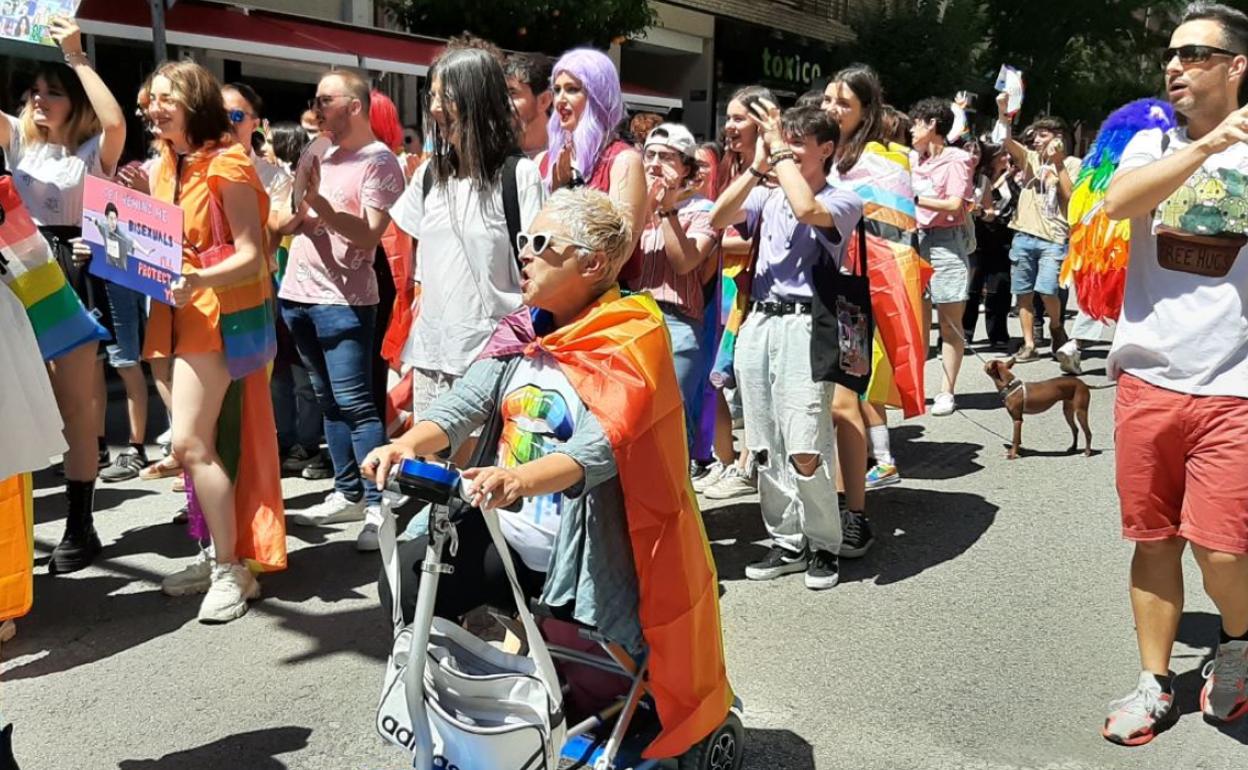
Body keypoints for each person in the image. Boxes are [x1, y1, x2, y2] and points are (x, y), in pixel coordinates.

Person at [365, 187, 731, 760]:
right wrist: (406, 442)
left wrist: (518, 480)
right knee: (406, 577)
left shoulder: (633, 333)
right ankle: (487, 709)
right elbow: (465, 404)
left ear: (591, 263)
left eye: (540, 243)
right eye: (523, 241)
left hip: (585, 551)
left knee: (600, 641)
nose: (525, 254)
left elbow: (601, 446)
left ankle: (585, 709)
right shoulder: (523, 329)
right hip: (506, 537)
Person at [1098, 1, 1248, 745]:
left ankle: (1239, 644)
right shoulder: (1149, 145)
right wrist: (1205, 147)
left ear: (1235, 67)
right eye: (1172, 53)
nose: (1175, 65)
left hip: (1236, 387)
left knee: (1224, 548)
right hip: (1149, 379)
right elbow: (1118, 204)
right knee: (1153, 538)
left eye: (1195, 53)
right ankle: (1155, 681)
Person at [141, 60, 286, 622]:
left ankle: (231, 568)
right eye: (150, 100)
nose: (154, 108)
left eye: (166, 98)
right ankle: (217, 555)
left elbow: (252, 252)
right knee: (197, 446)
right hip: (179, 313)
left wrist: (199, 276)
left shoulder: (227, 162)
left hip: (216, 315)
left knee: (190, 445)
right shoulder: (168, 165)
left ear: (195, 102)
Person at [710, 103, 864, 591]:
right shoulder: (768, 193)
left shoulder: (844, 199)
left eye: (798, 144)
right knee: (764, 441)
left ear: (827, 150)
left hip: (806, 325)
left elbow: (807, 210)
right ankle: (787, 539)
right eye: (784, 141)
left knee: (805, 443)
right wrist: (757, 166)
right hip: (759, 321)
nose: (787, 153)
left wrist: (777, 155)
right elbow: (717, 216)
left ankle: (824, 542)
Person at [0, 16, 124, 572]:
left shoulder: (93, 151)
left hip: (69, 275)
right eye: (34, 92)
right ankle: (17, 532)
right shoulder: (17, 141)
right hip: (16, 270)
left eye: (53, 94)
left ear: (75, 105)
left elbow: (117, 121)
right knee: (19, 402)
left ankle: (80, 521)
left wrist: (75, 56)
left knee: (76, 407)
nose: (39, 101)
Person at [389, 46, 545, 470]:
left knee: (477, 474)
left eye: (447, 97)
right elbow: (409, 253)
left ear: (478, 98)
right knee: (435, 472)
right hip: (431, 352)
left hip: (489, 352)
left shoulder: (518, 175)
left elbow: (537, 268)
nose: (437, 108)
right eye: (433, 97)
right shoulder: (428, 174)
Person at [279, 70, 404, 550]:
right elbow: (295, 214)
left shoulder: (380, 162)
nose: (315, 108)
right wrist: (300, 201)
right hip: (300, 293)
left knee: (355, 403)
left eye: (324, 99)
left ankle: (378, 504)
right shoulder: (320, 150)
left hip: (345, 300)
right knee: (327, 400)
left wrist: (319, 205)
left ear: (354, 105)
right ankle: (347, 490)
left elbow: (370, 235)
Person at [697, 86, 774, 501]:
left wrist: (709, 244)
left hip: (751, 293)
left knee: (744, 383)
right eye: (727, 118)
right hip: (722, 288)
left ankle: (747, 465)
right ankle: (725, 461)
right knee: (716, 382)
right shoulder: (732, 168)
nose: (729, 126)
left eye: (739, 118)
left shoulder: (779, 174)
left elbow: (757, 241)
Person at [625, 123, 719, 450]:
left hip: (677, 323)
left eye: (666, 157)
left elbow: (684, 262)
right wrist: (641, 208)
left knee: (671, 426)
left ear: (686, 169)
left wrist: (666, 211)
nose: (653, 164)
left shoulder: (702, 212)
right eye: (648, 155)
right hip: (631, 319)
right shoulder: (630, 208)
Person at [995, 93, 1082, 362]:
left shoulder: (1074, 164)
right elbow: (1006, 140)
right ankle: (1029, 344)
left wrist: (1057, 165)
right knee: (1023, 294)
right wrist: (1002, 112)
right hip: (1023, 235)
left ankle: (1056, 326)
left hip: (1054, 238)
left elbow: (1071, 199)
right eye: (1035, 135)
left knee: (1048, 290)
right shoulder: (1031, 160)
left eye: (1042, 135)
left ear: (1058, 137)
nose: (1036, 140)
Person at [538, 48, 646, 252]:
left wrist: (565, 195)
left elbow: (619, 250)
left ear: (598, 95)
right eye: (557, 89)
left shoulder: (623, 162)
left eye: (572, 89)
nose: (560, 99)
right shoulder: (543, 161)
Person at [910, 97, 975, 416]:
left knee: (949, 323)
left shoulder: (957, 158)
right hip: (914, 241)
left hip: (946, 241)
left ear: (932, 125)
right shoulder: (912, 159)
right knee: (917, 324)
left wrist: (915, 198)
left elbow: (954, 204)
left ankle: (947, 391)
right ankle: (915, 387)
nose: (911, 129)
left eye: (916, 123)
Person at [963, 142, 1017, 351]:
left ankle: (998, 334)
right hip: (975, 238)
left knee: (1000, 287)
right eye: (1002, 154)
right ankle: (966, 332)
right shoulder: (973, 177)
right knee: (971, 288)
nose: (1007, 158)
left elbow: (1006, 204)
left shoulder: (1009, 179)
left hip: (1001, 237)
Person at [504, 52, 554, 158]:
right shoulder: (492, 152)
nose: (504, 102)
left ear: (543, 101)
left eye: (513, 93)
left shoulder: (569, 154)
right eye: (502, 93)